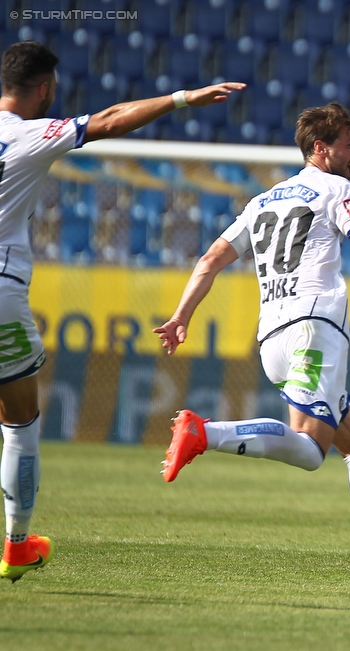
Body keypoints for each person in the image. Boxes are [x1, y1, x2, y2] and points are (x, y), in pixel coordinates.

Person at [152, 102, 350, 591]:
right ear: (321, 148)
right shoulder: (338, 189)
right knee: (309, 450)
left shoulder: (263, 201)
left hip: (274, 334)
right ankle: (204, 432)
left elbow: (212, 257)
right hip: (314, 326)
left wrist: (181, 315)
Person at [0, 41, 245, 583]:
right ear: (44, 89)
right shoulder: (27, 135)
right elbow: (108, 120)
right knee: (18, 421)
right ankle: (17, 544)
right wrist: (183, 97)